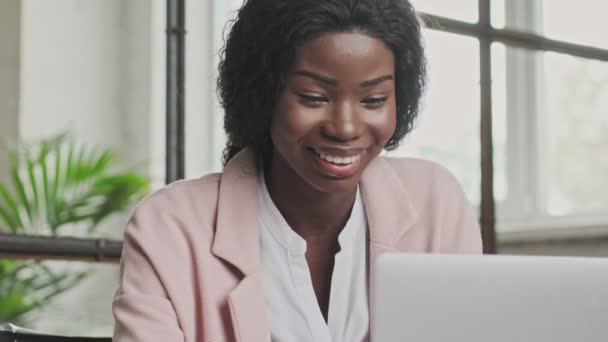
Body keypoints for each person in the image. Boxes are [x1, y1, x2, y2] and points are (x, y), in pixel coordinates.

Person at [112, 0, 482, 341]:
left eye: (373, 100)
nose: (345, 127)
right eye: (313, 97)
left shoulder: (437, 205)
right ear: (263, 92)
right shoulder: (170, 228)